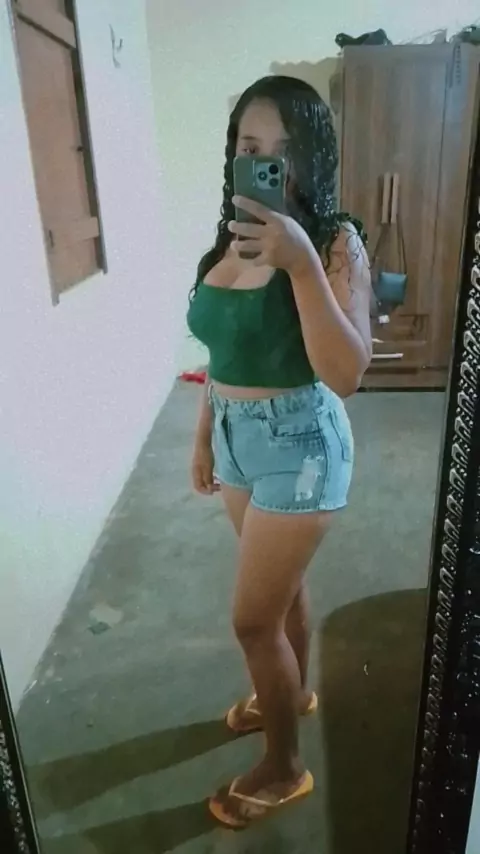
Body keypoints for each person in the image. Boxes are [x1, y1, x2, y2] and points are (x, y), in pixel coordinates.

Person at [186, 75, 372, 828]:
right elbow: (221, 353)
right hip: (237, 441)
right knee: (282, 593)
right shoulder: (229, 239)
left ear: (312, 157)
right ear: (233, 154)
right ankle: (288, 694)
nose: (267, 162)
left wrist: (300, 264)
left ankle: (285, 766)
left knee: (251, 622)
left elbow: (347, 373)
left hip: (302, 447)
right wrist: (204, 432)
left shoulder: (334, 242)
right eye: (250, 145)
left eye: (284, 149)